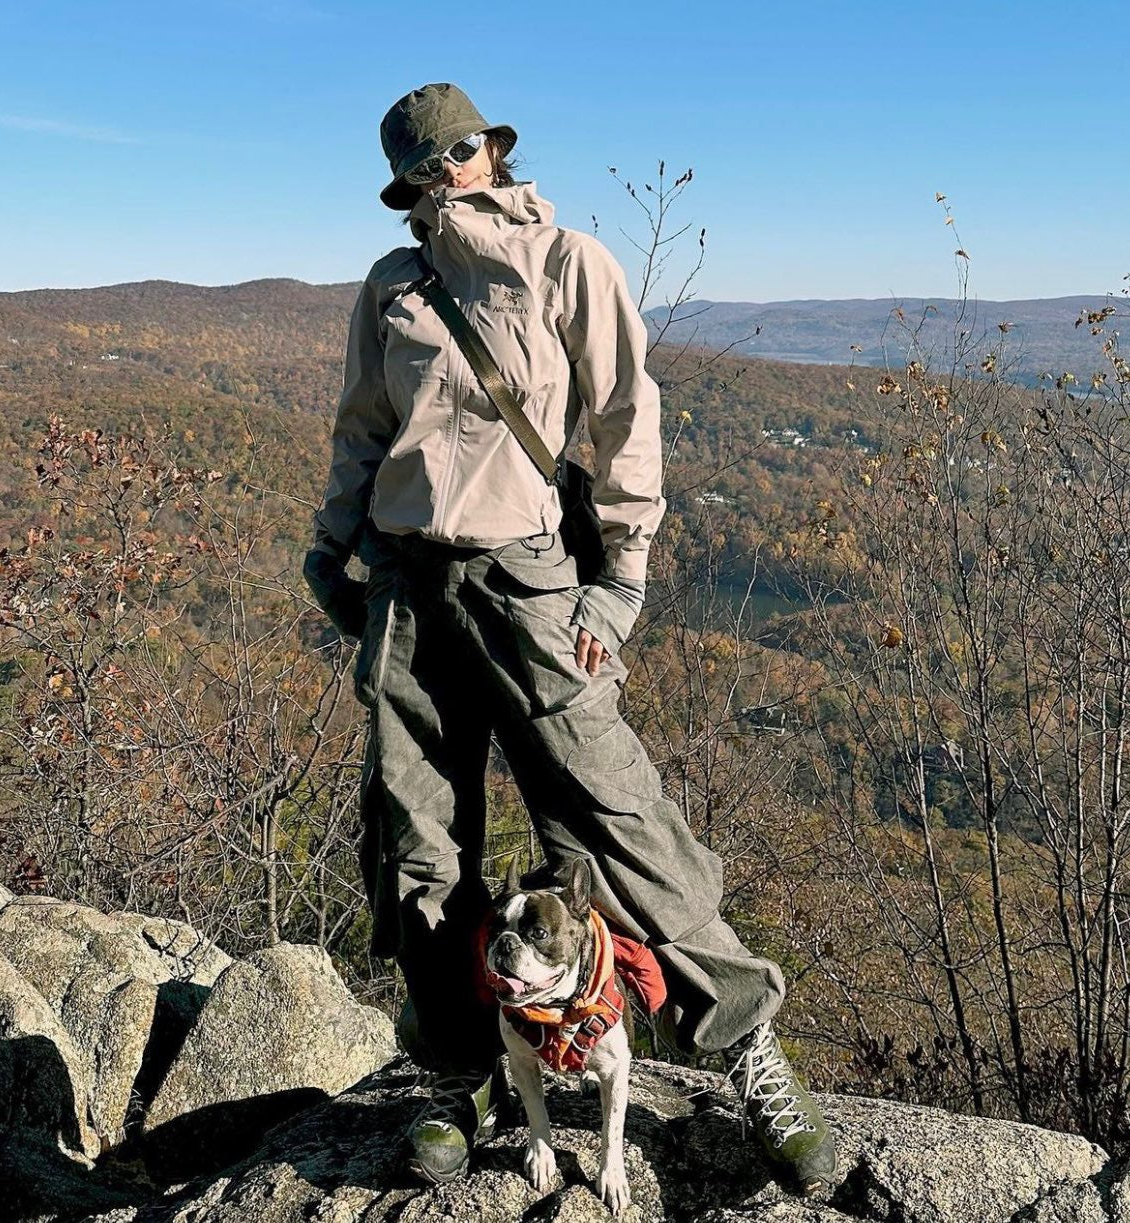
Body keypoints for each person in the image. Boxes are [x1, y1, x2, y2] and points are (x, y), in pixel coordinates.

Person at [305, 82, 837, 1195]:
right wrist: (332, 543)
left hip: (528, 582)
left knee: (620, 819)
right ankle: (461, 1070)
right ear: (403, 179)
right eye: (426, 159)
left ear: (493, 151)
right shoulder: (393, 286)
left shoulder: (567, 263)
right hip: (408, 582)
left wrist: (621, 578)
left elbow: (627, 418)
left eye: (464, 148)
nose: (448, 169)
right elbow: (364, 424)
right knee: (418, 842)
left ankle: (748, 1047)